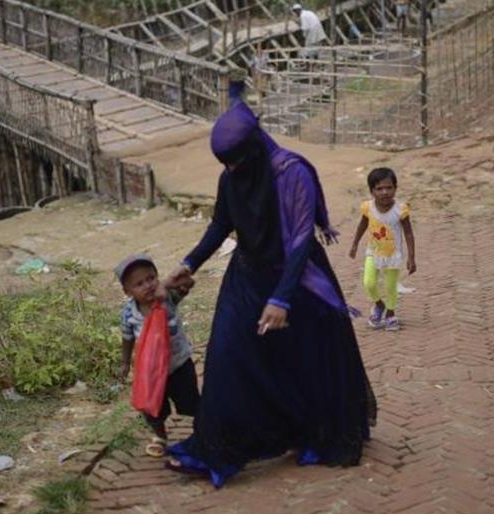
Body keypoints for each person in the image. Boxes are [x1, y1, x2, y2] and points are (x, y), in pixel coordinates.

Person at [160, 101, 376, 487]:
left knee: (303, 361)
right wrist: (189, 263)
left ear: (254, 147)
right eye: (225, 164)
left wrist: (281, 299)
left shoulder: (293, 174)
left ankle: (311, 434)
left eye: (235, 162)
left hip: (297, 279)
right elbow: (221, 225)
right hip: (246, 274)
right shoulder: (231, 177)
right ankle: (215, 449)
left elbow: (298, 243)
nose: (231, 170)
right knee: (227, 354)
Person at [116, 254, 200, 458]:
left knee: (191, 403)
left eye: (151, 278)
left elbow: (189, 282)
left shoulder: (168, 298)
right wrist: (125, 362)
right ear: (128, 291)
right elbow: (127, 339)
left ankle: (203, 432)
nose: (148, 286)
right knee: (153, 408)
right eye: (139, 284)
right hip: (151, 372)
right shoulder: (129, 314)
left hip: (178, 364)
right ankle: (160, 437)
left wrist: (167, 284)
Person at [349, 167, 417, 332]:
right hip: (373, 251)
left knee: (390, 286)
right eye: (379, 189)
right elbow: (363, 224)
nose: (385, 192)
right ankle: (379, 304)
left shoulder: (400, 210)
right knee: (369, 283)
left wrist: (411, 257)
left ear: (395, 188)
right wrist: (355, 244)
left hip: (393, 255)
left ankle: (391, 313)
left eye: (389, 187)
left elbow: (408, 233)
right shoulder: (368, 208)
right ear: (372, 191)